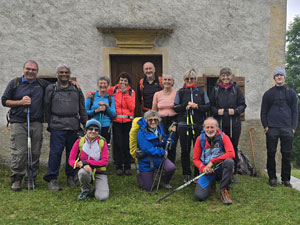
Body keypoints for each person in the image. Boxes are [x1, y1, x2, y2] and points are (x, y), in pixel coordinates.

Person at [1, 60, 49, 191]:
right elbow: (4, 101)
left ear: (37, 71)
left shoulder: (42, 84)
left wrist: (73, 83)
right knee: (20, 152)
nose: (30, 72)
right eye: (28, 69)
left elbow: (57, 87)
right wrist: (20, 102)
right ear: (23, 69)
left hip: (36, 122)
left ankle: (31, 179)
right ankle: (17, 179)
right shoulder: (15, 83)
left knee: (34, 151)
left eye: (33, 70)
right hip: (19, 122)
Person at [43, 64, 88, 191]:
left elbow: (82, 108)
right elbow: (46, 106)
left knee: (72, 153)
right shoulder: (51, 88)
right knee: (55, 153)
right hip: (57, 125)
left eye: (66, 72)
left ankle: (71, 176)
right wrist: (50, 123)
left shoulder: (76, 89)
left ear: (69, 74)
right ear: (57, 74)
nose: (64, 74)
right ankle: (52, 179)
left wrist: (86, 124)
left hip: (73, 125)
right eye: (61, 72)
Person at [261, 66, 298, 188]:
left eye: (281, 75)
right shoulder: (268, 94)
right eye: (277, 75)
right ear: (274, 78)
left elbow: (295, 111)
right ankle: (272, 178)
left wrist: (293, 127)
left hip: (287, 128)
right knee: (271, 153)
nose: (279, 77)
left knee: (286, 154)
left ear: (284, 77)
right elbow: (263, 112)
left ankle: (286, 179)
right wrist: (266, 126)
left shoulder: (291, 93)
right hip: (272, 128)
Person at [209, 67, 246, 183]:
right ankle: (219, 171)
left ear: (231, 76)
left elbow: (243, 105)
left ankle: (232, 172)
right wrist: (216, 111)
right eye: (223, 75)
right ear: (220, 77)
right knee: (219, 147)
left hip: (234, 124)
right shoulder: (215, 90)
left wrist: (235, 111)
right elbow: (210, 106)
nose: (225, 77)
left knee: (233, 147)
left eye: (228, 75)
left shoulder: (236, 89)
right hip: (219, 123)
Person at [174, 68, 210, 183]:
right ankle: (186, 174)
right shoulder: (180, 92)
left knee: (198, 150)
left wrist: (197, 106)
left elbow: (208, 106)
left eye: (192, 79)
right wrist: (185, 104)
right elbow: (175, 108)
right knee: (185, 150)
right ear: (184, 79)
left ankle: (197, 173)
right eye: (187, 79)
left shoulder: (201, 91)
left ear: (195, 79)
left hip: (198, 125)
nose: (189, 80)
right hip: (184, 125)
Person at [193, 117, 235, 205]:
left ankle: (224, 190)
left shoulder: (224, 137)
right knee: (199, 196)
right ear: (204, 128)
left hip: (220, 168)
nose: (210, 130)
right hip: (207, 170)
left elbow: (231, 154)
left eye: (212, 127)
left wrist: (213, 161)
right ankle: (211, 183)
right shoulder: (199, 139)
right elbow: (195, 159)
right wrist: (203, 168)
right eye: (207, 127)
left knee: (229, 162)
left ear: (217, 127)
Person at [69, 119, 109, 201]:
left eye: (96, 130)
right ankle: (85, 190)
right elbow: (71, 160)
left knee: (102, 197)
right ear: (86, 130)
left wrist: (86, 162)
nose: (93, 131)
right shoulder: (79, 141)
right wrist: (79, 164)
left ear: (99, 132)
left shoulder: (102, 142)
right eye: (90, 129)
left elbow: (104, 162)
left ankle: (95, 188)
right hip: (86, 171)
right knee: (82, 172)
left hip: (100, 172)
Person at [137, 110, 176, 191]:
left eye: (155, 119)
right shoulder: (141, 132)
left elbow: (165, 142)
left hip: (159, 158)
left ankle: (164, 181)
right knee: (148, 188)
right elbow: (147, 149)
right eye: (150, 120)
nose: (153, 121)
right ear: (146, 121)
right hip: (146, 161)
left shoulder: (160, 129)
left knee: (171, 168)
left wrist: (171, 135)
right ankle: (141, 175)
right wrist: (162, 152)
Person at [107, 72, 135, 176]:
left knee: (127, 143)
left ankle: (127, 166)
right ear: (118, 81)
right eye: (121, 80)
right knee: (118, 144)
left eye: (125, 81)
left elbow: (131, 107)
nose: (123, 82)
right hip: (116, 121)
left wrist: (126, 94)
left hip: (128, 122)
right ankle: (119, 166)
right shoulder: (113, 90)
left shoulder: (131, 92)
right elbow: (102, 93)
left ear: (128, 82)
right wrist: (92, 93)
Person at [152, 74, 178, 163]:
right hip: (161, 121)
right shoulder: (157, 94)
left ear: (173, 82)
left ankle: (171, 165)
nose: (167, 81)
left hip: (173, 120)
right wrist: (153, 122)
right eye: (165, 79)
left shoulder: (177, 93)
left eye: (169, 80)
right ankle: (162, 165)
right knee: (161, 142)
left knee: (172, 144)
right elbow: (154, 110)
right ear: (162, 82)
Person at [85, 76, 116, 143]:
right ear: (97, 85)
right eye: (101, 83)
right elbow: (85, 112)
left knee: (105, 147)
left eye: (105, 83)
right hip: (93, 127)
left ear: (108, 85)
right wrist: (96, 111)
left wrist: (106, 108)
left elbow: (113, 114)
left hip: (106, 127)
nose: (103, 85)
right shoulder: (91, 97)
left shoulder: (111, 99)